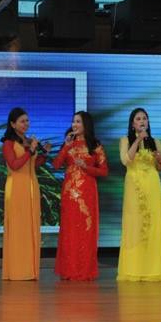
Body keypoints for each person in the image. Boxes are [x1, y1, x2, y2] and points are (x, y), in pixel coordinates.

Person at [52, 111, 108, 281]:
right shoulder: (69, 143)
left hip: (87, 194)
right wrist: (66, 146)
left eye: (78, 122)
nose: (74, 125)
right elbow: (56, 165)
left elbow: (104, 171)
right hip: (69, 195)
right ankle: (68, 269)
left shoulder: (95, 145)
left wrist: (86, 167)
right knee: (70, 231)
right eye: (73, 121)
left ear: (86, 125)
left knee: (86, 230)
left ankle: (84, 270)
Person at [117, 108, 161, 282]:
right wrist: (138, 139)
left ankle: (152, 269)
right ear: (133, 124)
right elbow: (126, 160)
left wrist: (160, 160)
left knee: (153, 225)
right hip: (134, 187)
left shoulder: (155, 142)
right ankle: (133, 269)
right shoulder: (125, 140)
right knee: (135, 225)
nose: (142, 121)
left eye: (144, 118)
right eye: (138, 119)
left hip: (152, 185)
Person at [1, 107, 51, 281]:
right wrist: (30, 151)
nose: (26, 124)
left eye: (27, 121)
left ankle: (29, 269)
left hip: (31, 186)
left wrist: (44, 154)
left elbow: (32, 165)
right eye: (22, 121)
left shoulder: (29, 141)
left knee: (30, 227)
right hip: (16, 187)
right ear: (13, 124)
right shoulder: (8, 143)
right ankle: (17, 270)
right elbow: (14, 165)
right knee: (17, 227)